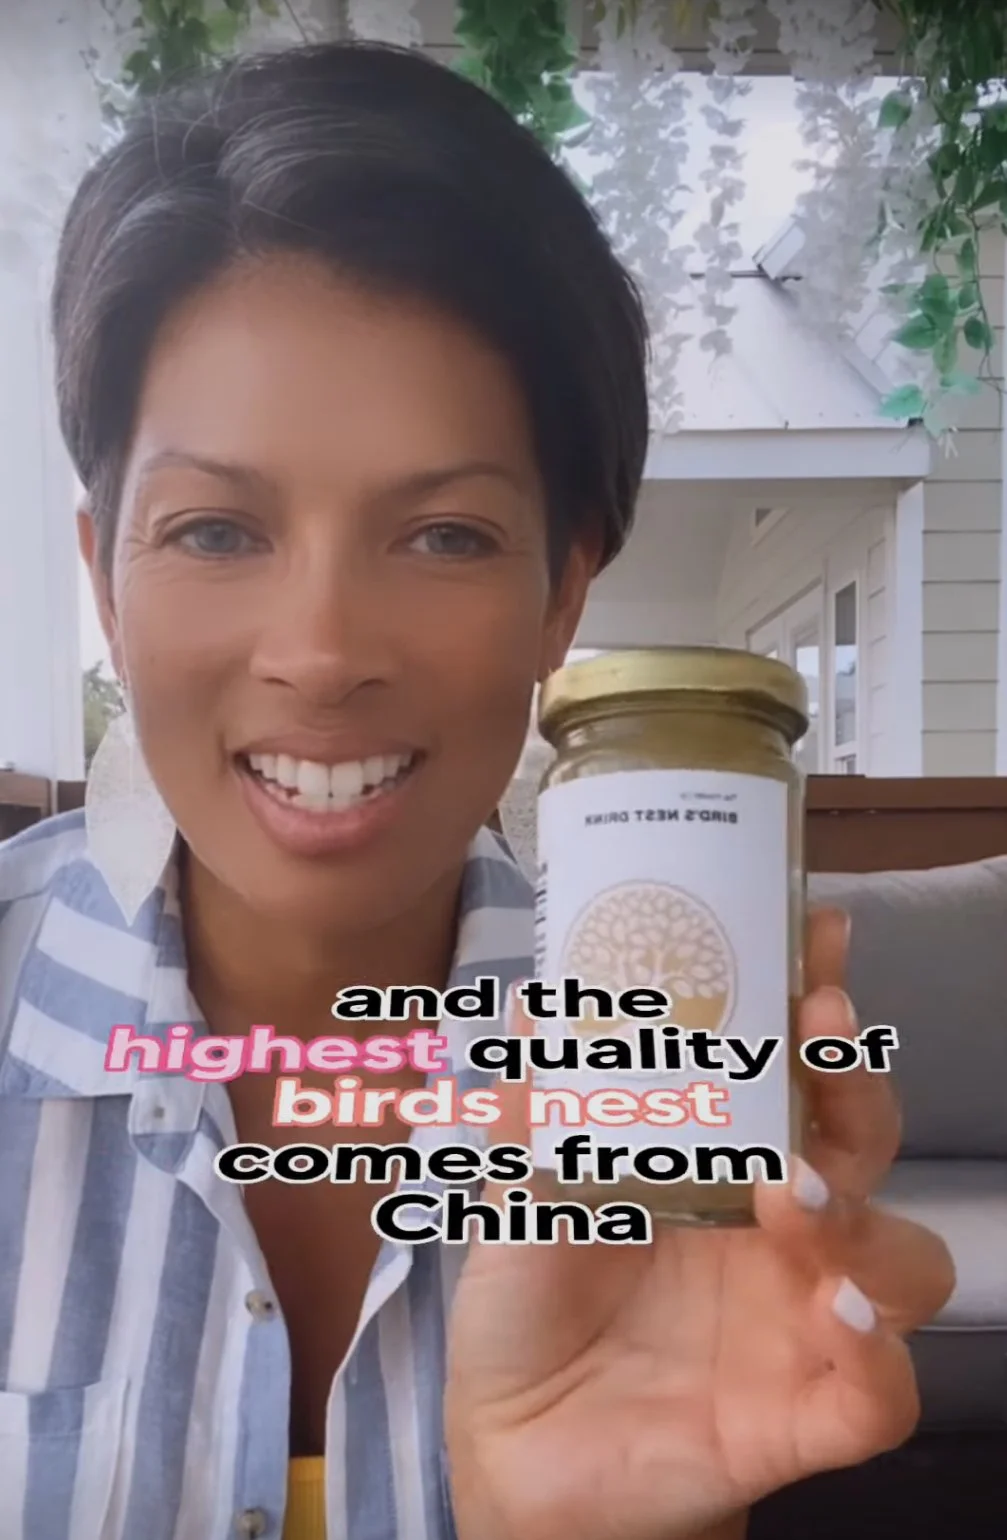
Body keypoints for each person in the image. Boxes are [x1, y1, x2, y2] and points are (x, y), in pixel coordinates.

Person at [0, 39, 953, 1540]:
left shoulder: (666, 1086)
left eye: (442, 536)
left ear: (565, 592)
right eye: (213, 532)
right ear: (102, 581)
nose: (319, 655)